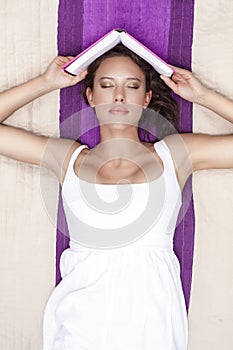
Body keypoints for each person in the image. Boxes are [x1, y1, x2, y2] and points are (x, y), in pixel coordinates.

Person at [0, 44, 232, 350]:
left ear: (147, 98)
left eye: (132, 86)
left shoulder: (175, 154)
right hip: (80, 325)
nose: (119, 96)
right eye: (107, 85)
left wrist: (203, 96)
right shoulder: (68, 158)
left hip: (152, 322)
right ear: (90, 96)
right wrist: (45, 82)